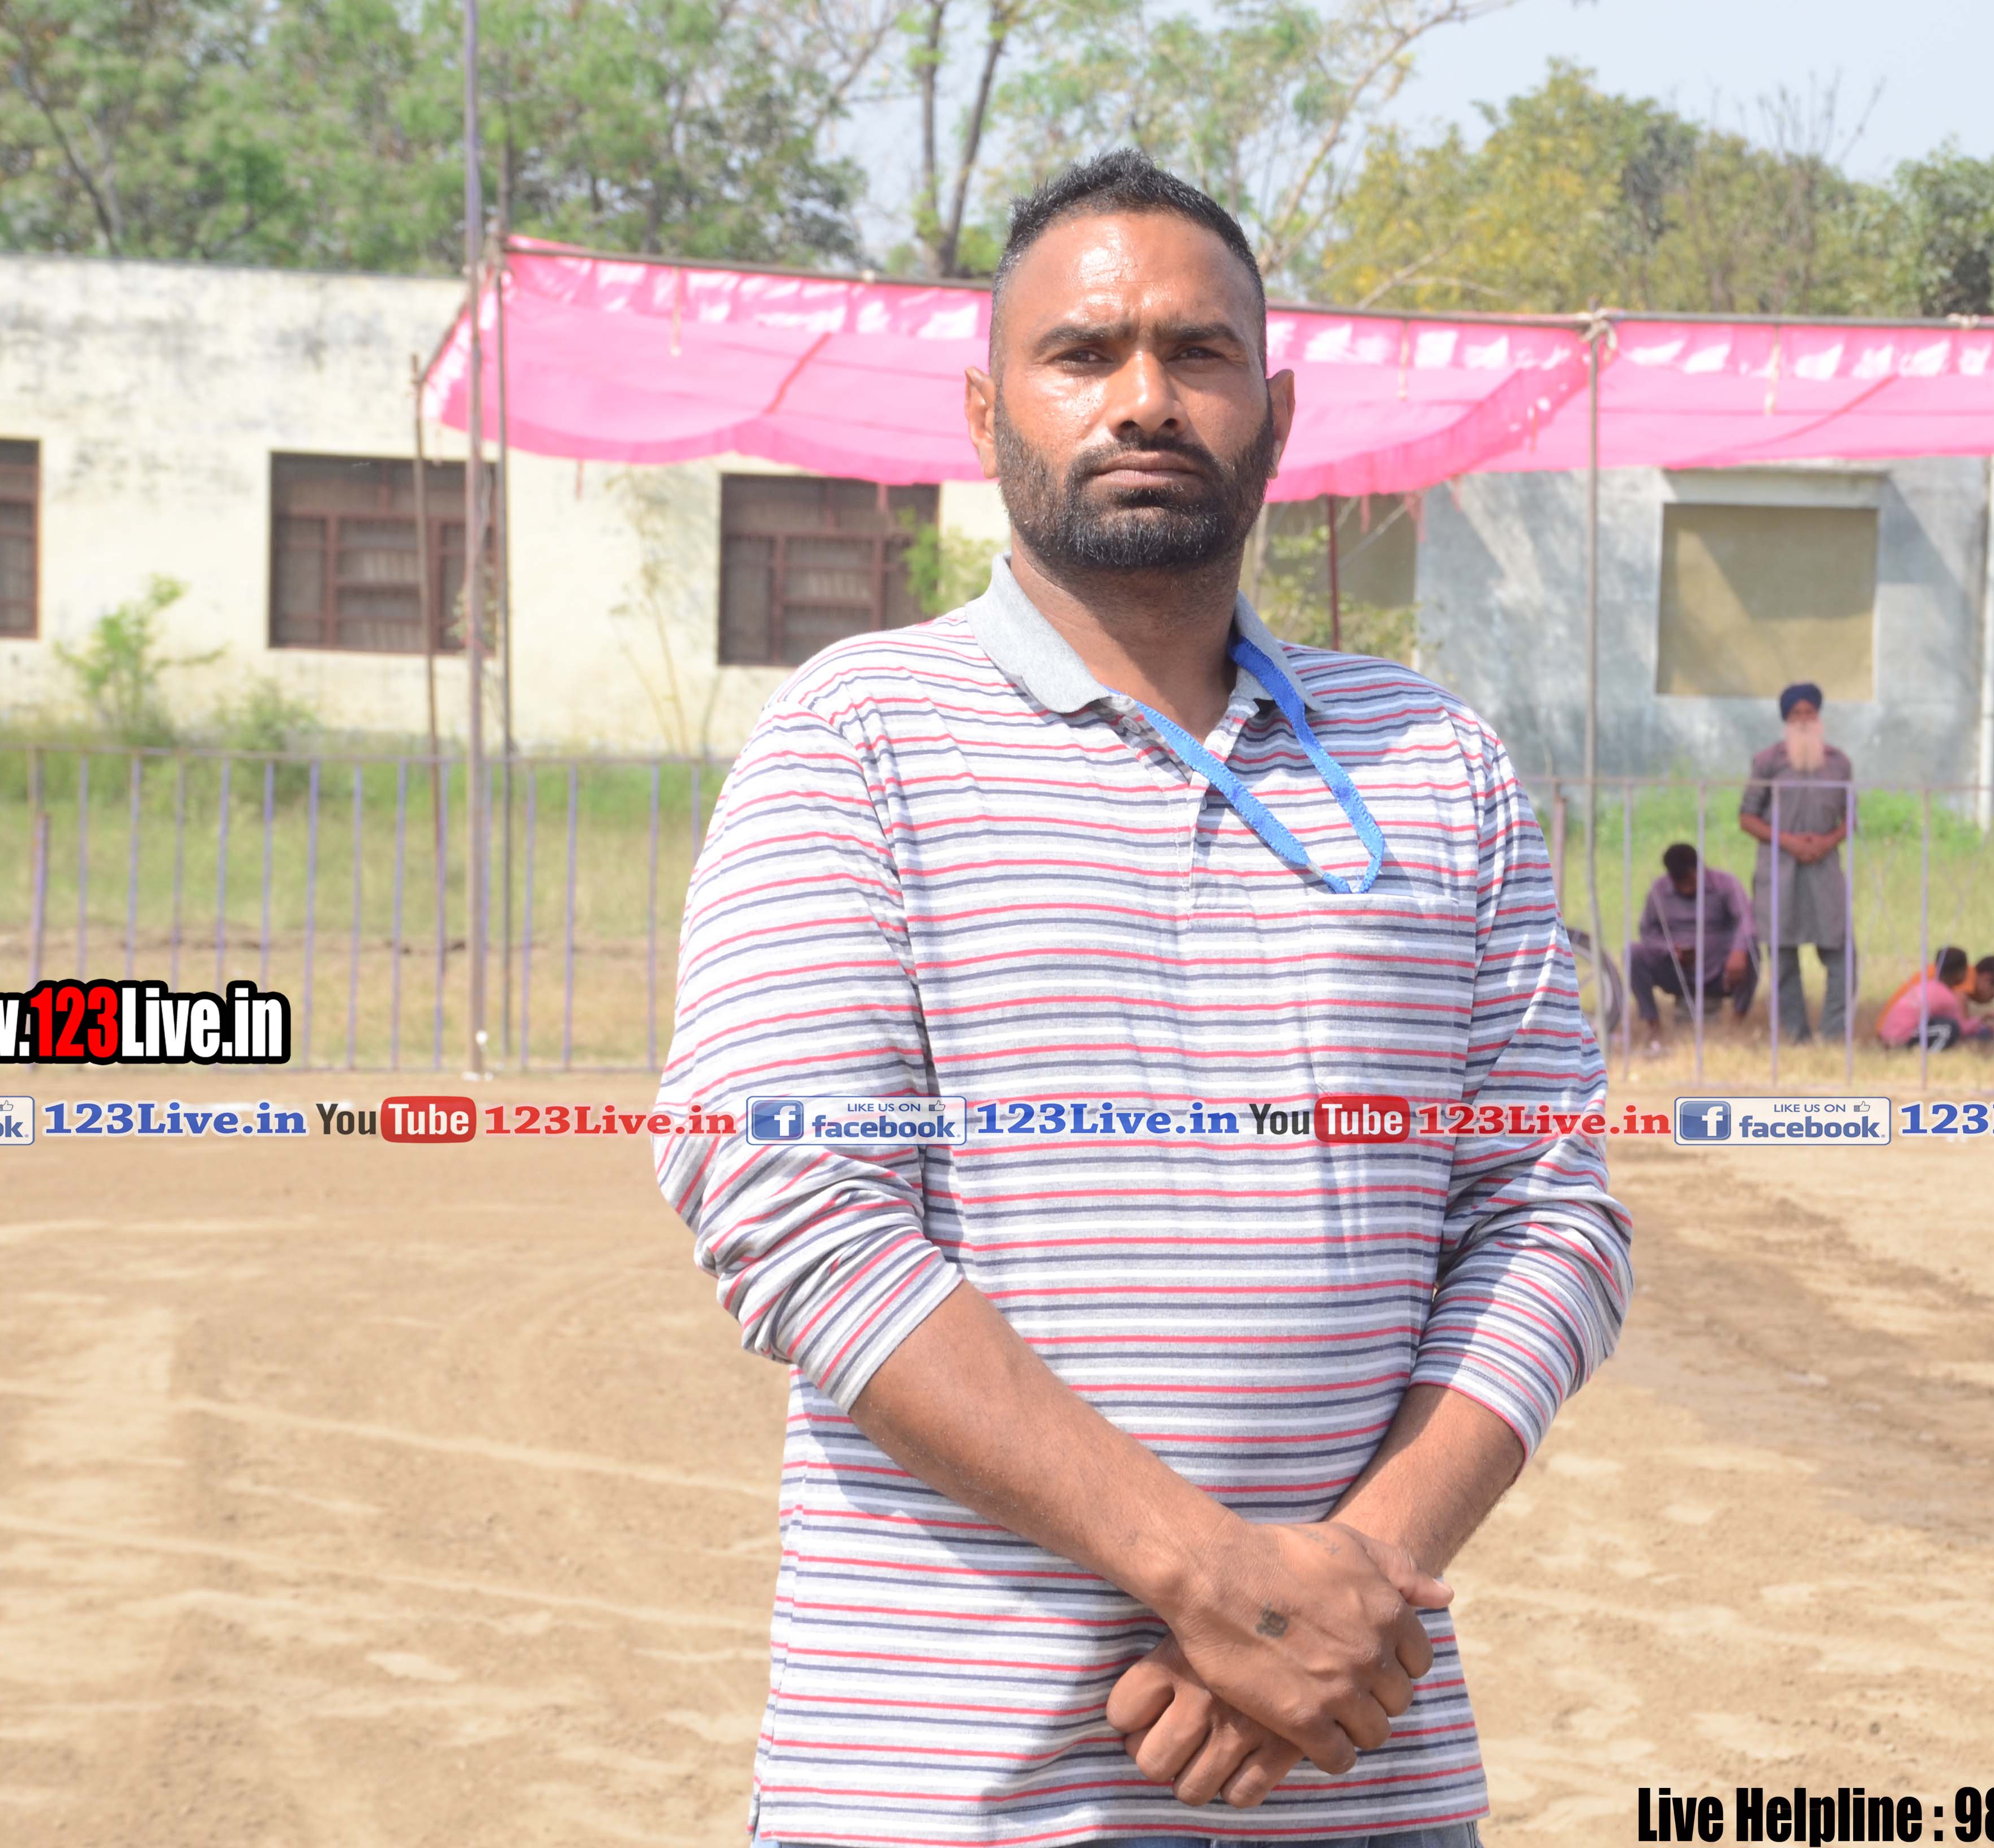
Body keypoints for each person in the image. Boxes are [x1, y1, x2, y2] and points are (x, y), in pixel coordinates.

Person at [651, 149, 1634, 1843]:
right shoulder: (853, 740)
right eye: (1082, 353)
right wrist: (1209, 1576)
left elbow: (1549, 1215)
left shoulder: (1436, 763)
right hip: (940, 1792)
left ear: (1277, 411)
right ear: (987, 415)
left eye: (1197, 353)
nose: (1144, 397)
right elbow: (783, 1191)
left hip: (1355, 1776)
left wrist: (1344, 1583)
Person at [1737, 683, 1853, 1043]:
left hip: (1824, 870)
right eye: (1796, 714)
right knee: (1783, 954)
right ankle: (1793, 1034)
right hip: (1779, 871)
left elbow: (1850, 818)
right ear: (1786, 719)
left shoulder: (1839, 763)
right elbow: (1747, 817)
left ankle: (1834, 1033)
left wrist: (1827, 842)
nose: (1803, 720)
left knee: (1842, 953)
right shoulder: (1768, 761)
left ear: (1819, 716)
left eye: (1809, 713)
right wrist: (1787, 841)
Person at [1630, 841, 1757, 1046]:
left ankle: (1736, 1024)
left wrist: (1738, 951)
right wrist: (1670, 950)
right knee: (1633, 954)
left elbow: (1746, 921)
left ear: (1700, 868)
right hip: (1678, 971)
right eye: (1679, 881)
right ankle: (1653, 1025)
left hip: (1722, 971)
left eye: (1689, 879)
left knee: (1751, 950)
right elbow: (1648, 932)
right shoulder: (1659, 891)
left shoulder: (1726, 885)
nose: (1686, 886)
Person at [1879, 948, 1994, 1051]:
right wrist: (1986, 1024)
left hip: (1886, 1024)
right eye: (1993, 995)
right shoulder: (1965, 984)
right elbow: (1961, 1027)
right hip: (1900, 1032)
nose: (1990, 1001)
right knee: (1955, 1029)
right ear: (1987, 978)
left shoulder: (1933, 983)